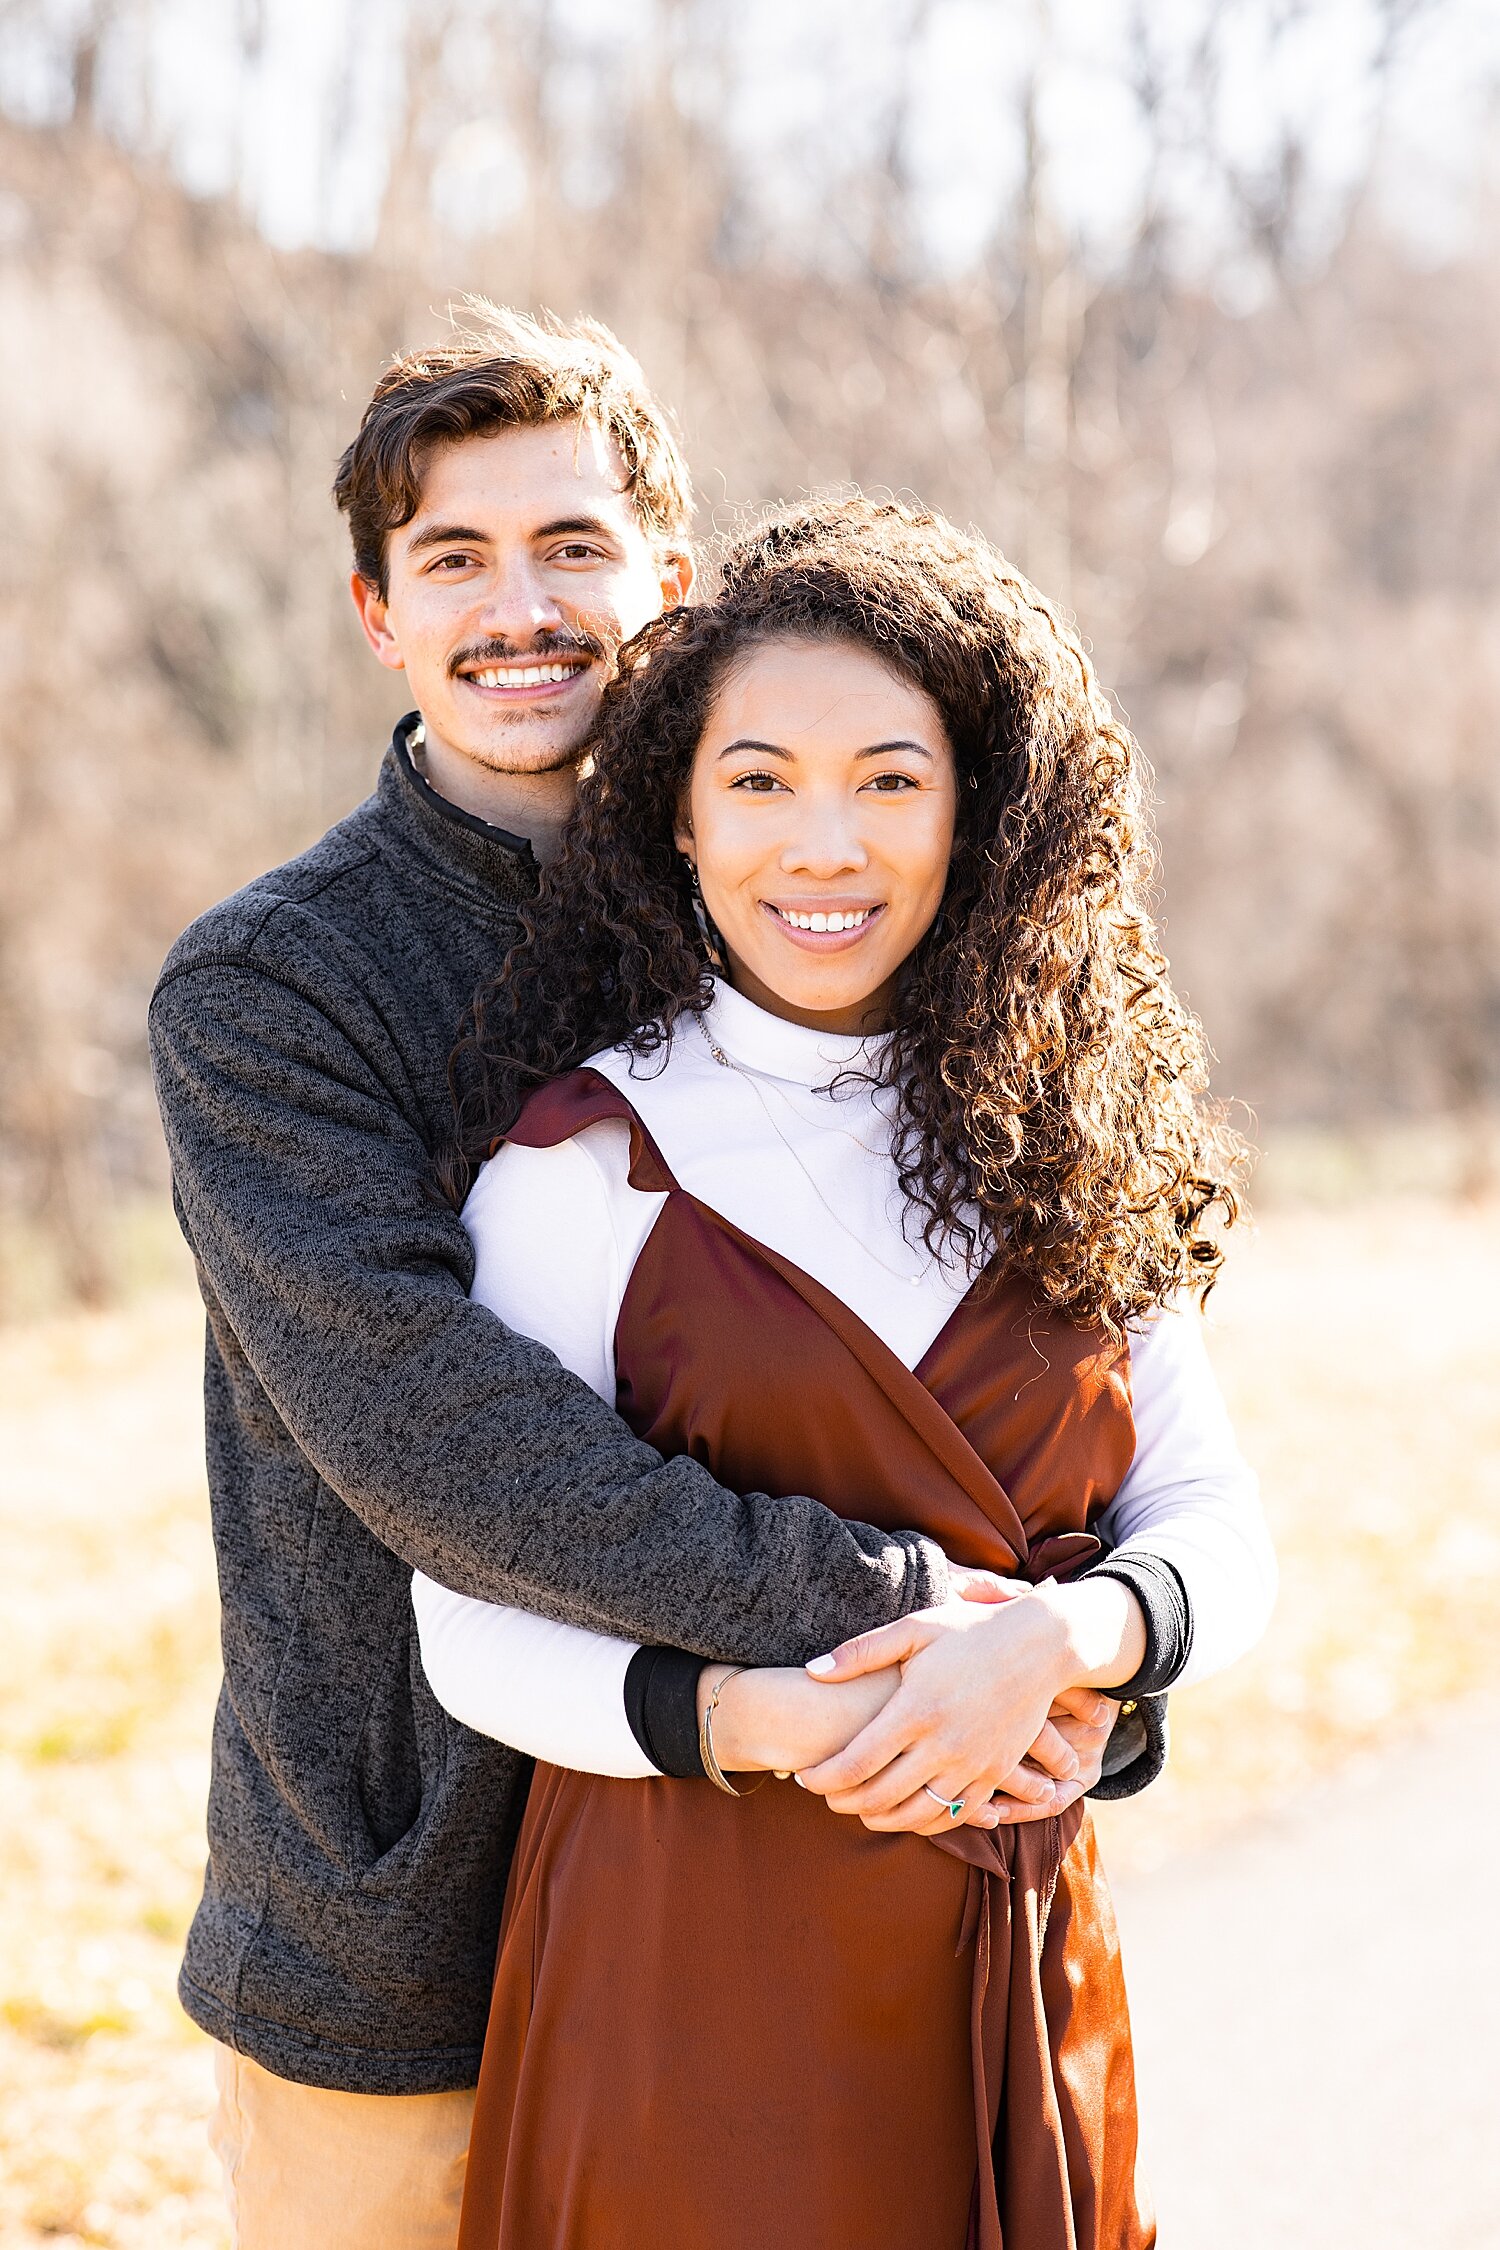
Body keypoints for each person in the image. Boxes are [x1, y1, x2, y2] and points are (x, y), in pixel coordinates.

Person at [148, 307, 1178, 2250]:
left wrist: (1074, 1660)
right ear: (377, 612)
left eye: (572, 549)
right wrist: (902, 1620)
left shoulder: (784, 913)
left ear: (672, 588)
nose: (517, 607)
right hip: (412, 1917)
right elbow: (435, 1438)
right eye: (453, 558)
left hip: (797, 1882)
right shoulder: (274, 986)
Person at [415, 497, 1277, 2250]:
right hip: (685, 1980)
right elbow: (472, 1618)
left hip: (1024, 1961)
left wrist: (1065, 1635)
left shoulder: (1070, 1144)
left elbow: (1213, 1520)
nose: (826, 843)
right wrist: (772, 1726)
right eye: (761, 779)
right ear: (676, 807)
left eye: (890, 778)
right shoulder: (588, 1163)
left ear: (979, 811)